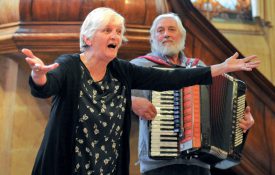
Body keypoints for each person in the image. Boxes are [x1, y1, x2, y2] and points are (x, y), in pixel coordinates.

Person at [22, 7, 259, 175]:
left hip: (107, 167)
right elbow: (47, 87)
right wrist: (39, 75)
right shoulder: (69, 65)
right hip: (67, 165)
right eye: (107, 30)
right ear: (87, 37)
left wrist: (222, 68)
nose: (115, 35)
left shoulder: (121, 70)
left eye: (118, 31)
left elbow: (173, 77)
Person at [130, 13, 256, 175]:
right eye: (160, 30)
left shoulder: (198, 67)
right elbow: (114, 97)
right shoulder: (140, 66)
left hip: (200, 163)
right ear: (153, 38)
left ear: (182, 36)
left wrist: (243, 122)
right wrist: (132, 101)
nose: (166, 34)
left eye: (171, 29)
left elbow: (220, 109)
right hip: (159, 165)